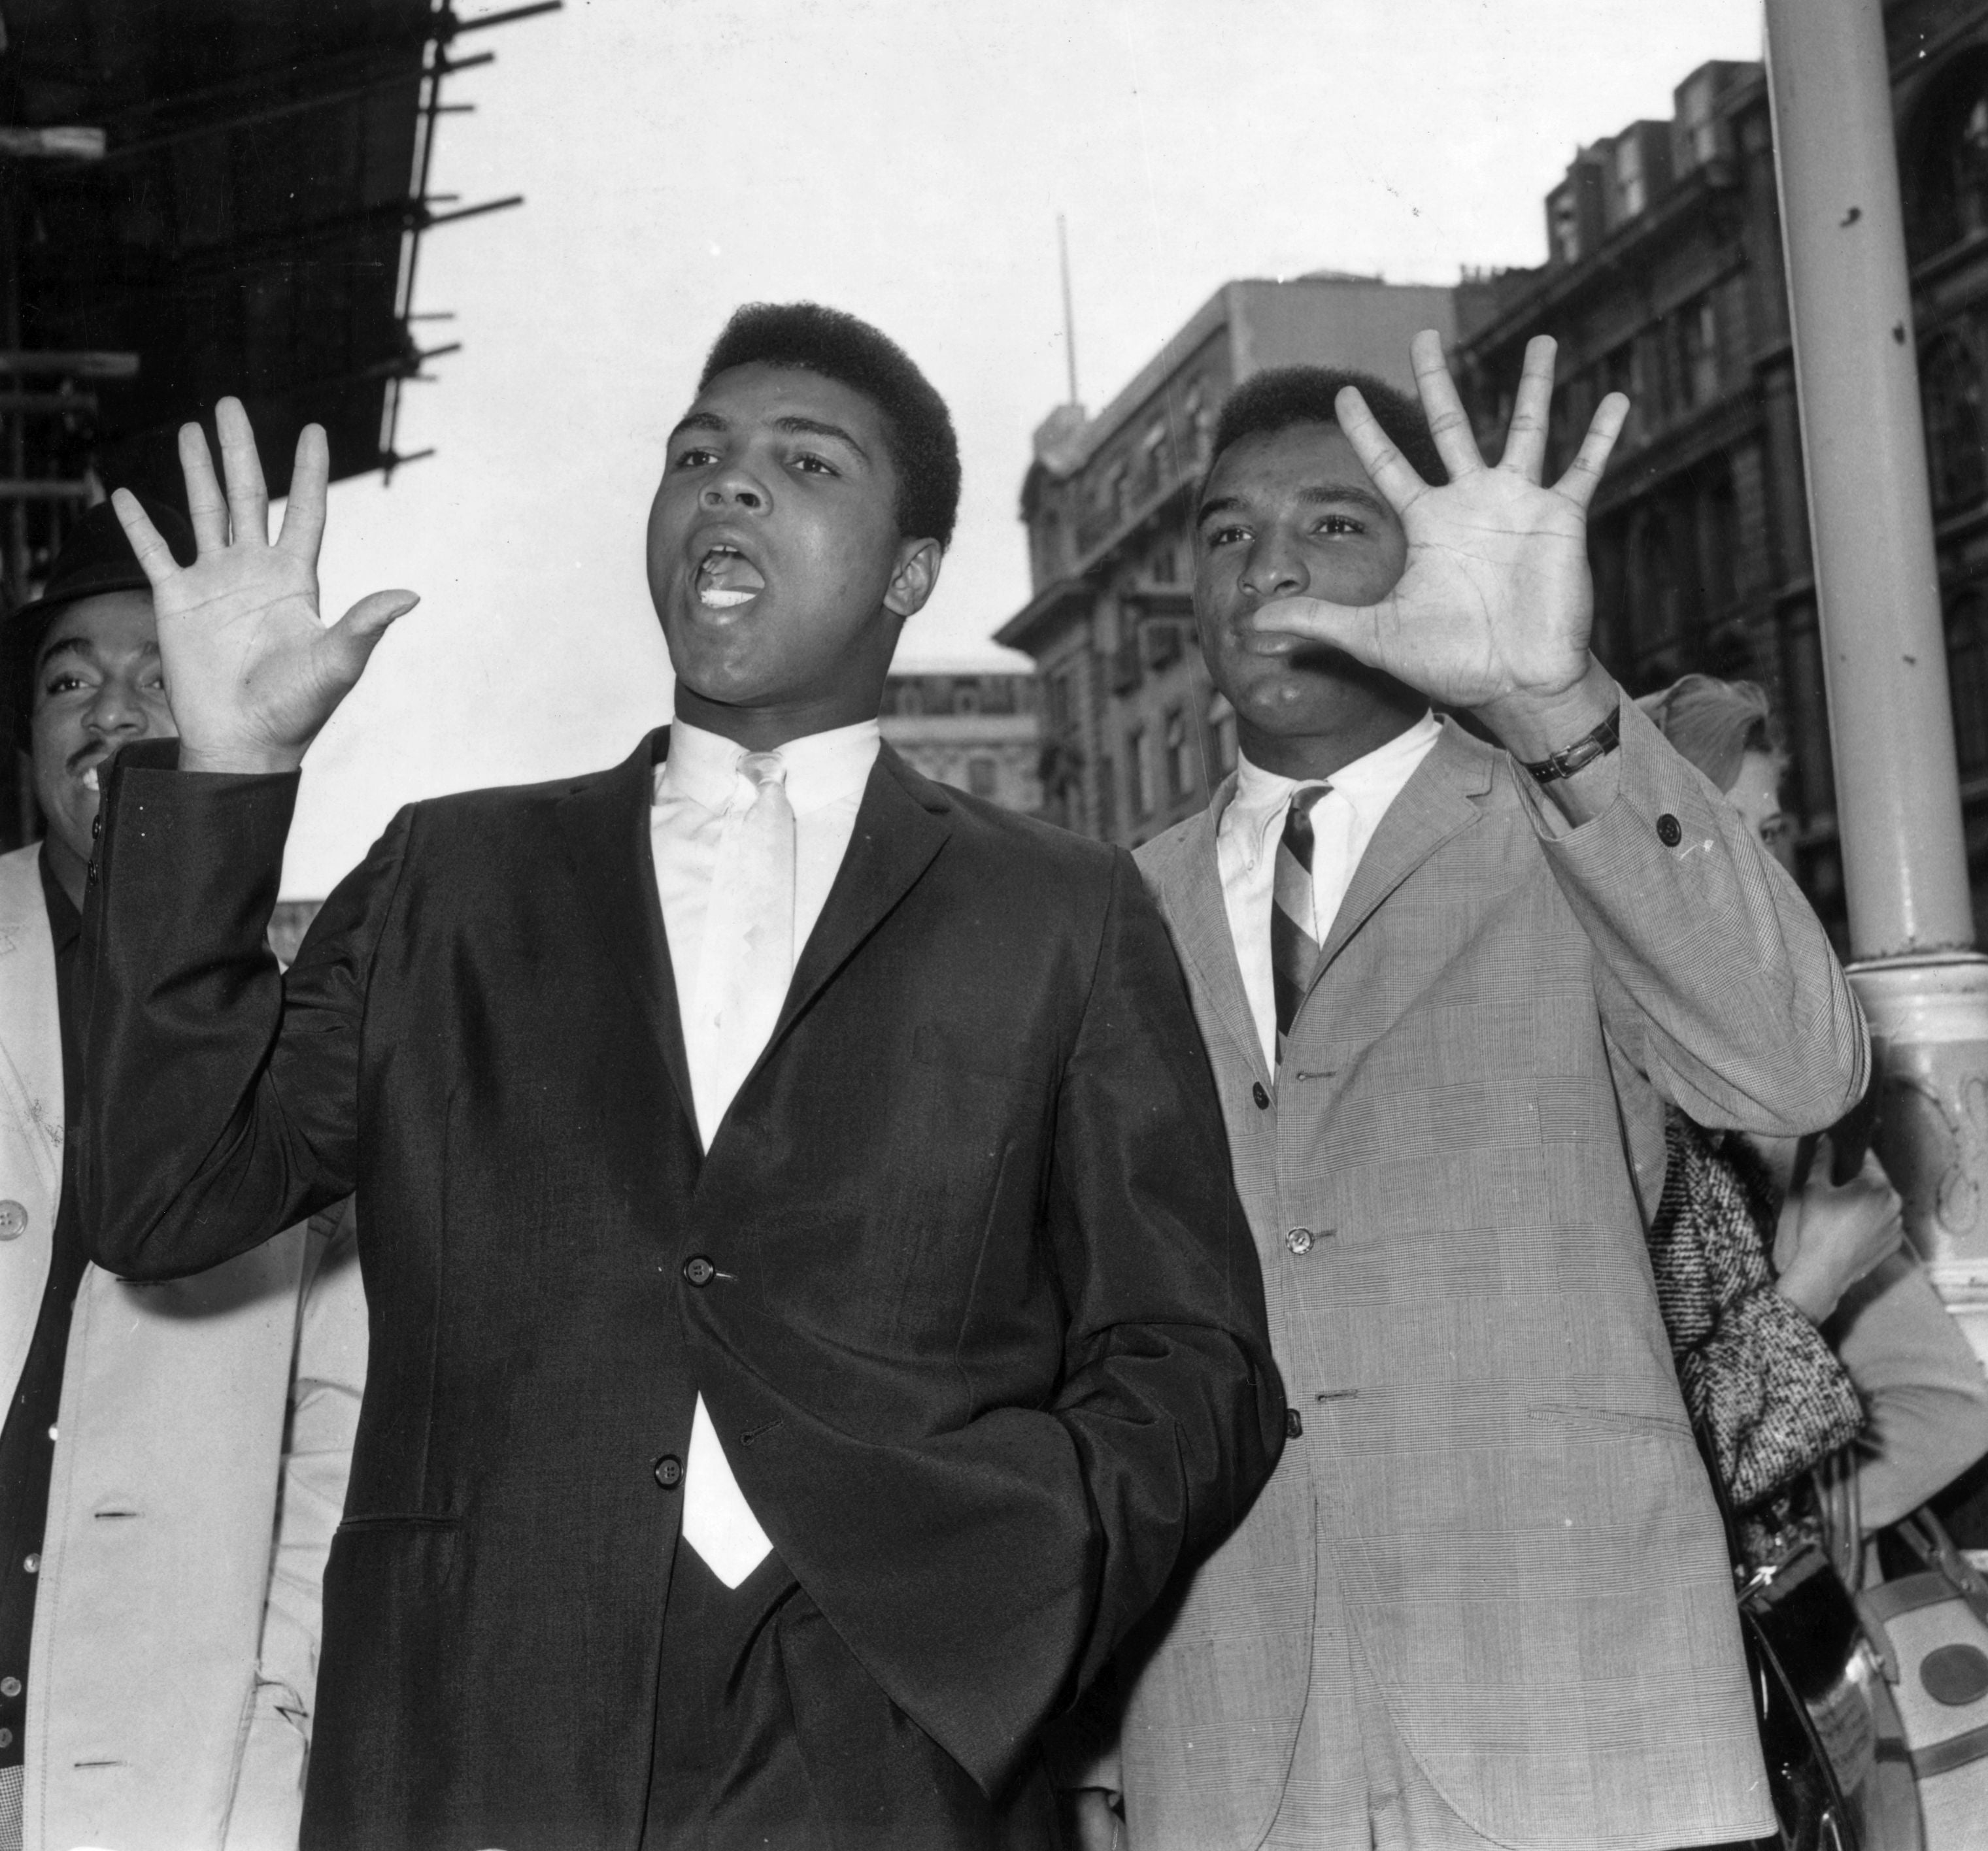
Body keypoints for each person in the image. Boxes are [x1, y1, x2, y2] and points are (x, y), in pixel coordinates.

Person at [78, 303, 1284, 1849]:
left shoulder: (1060, 909)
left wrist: (1003, 1585)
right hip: (482, 1727)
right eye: (698, 456)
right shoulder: (456, 871)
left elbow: (1193, 1350)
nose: (729, 486)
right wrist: (232, 772)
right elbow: (166, 1194)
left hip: (888, 1741)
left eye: (805, 462)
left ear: (911, 571)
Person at [1108, 339, 1868, 1851]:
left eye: (1334, 523)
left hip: (1581, 1712)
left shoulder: (1571, 807)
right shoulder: (1103, 916)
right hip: (1237, 1739)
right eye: (1228, 535)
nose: (1272, 569)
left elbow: (1799, 1065)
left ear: (1424, 561)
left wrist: (1553, 698)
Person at [0, 499, 364, 1851]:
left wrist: (273, 1731)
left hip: (167, 1767)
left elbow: (338, 1421)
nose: (108, 710)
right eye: (68, 681)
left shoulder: (307, 1017)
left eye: (155, 669)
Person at [1638, 672, 1988, 1559]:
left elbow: (1944, 1411)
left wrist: (1770, 1540)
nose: (1764, 867)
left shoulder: (1784, 1106)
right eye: (1729, 831)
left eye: (1772, 832)